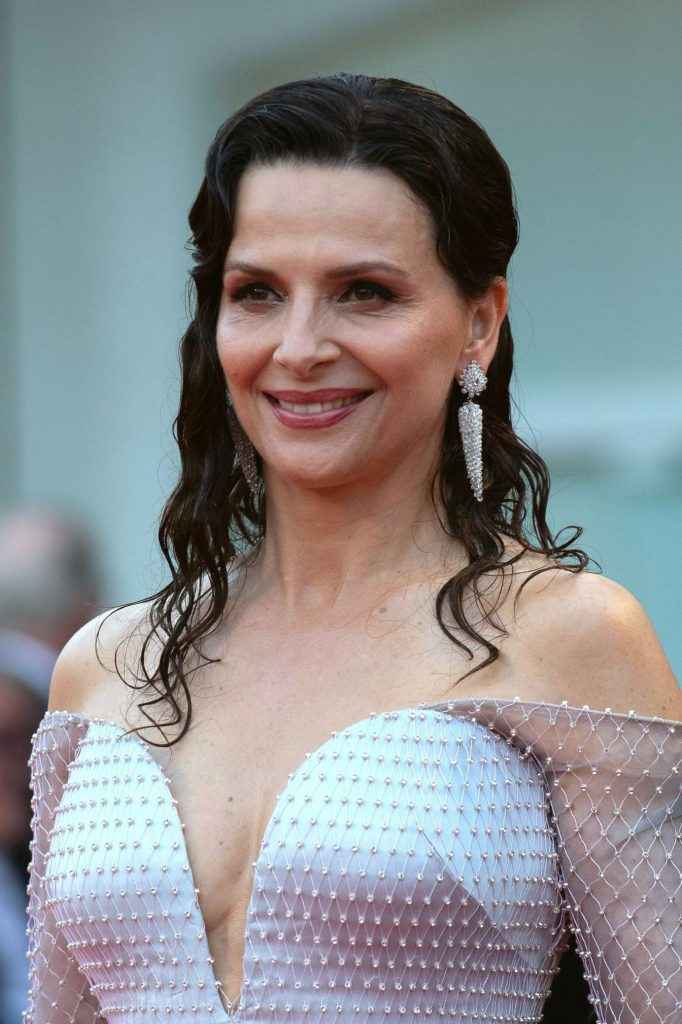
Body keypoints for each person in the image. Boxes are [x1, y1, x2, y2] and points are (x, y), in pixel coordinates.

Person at [23, 73, 681, 1024]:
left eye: (364, 293)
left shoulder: (570, 639)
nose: (299, 347)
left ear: (480, 323)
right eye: (257, 293)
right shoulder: (106, 664)